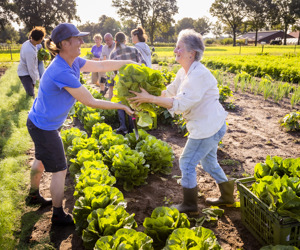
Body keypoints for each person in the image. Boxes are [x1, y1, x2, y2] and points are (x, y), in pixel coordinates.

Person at [26, 23, 135, 226]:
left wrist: (130, 63)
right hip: (44, 127)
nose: (82, 42)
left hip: (40, 121)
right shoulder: (60, 70)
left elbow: (101, 66)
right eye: (78, 38)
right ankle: (58, 215)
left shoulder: (73, 61)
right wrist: (121, 105)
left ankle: (33, 195)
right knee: (60, 169)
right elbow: (90, 101)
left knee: (40, 159)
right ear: (65, 44)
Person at [129, 29, 234, 215]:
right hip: (209, 125)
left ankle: (190, 205)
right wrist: (147, 95)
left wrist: (150, 99)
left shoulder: (198, 75)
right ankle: (227, 196)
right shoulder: (184, 72)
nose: (175, 51)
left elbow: (178, 104)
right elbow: (169, 92)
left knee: (186, 162)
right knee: (209, 163)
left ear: (191, 53)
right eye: (175, 47)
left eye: (179, 48)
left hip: (207, 127)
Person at [110, 32, 146, 135]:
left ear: (115, 41)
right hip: (134, 83)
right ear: (125, 40)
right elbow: (143, 65)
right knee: (132, 105)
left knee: (121, 104)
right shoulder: (134, 50)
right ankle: (132, 128)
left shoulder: (113, 53)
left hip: (121, 84)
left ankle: (123, 127)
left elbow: (112, 71)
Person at [18, 26, 46, 98]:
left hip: (27, 72)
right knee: (31, 95)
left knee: (32, 94)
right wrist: (34, 81)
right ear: (40, 39)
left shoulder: (28, 43)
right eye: (42, 38)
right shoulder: (30, 51)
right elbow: (31, 68)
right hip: (25, 74)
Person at [100, 33, 116, 100]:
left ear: (112, 39)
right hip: (109, 70)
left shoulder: (116, 46)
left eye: (108, 40)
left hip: (116, 68)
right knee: (110, 86)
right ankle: (110, 100)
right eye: (105, 40)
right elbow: (102, 58)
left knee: (117, 86)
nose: (107, 42)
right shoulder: (104, 47)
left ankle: (117, 101)